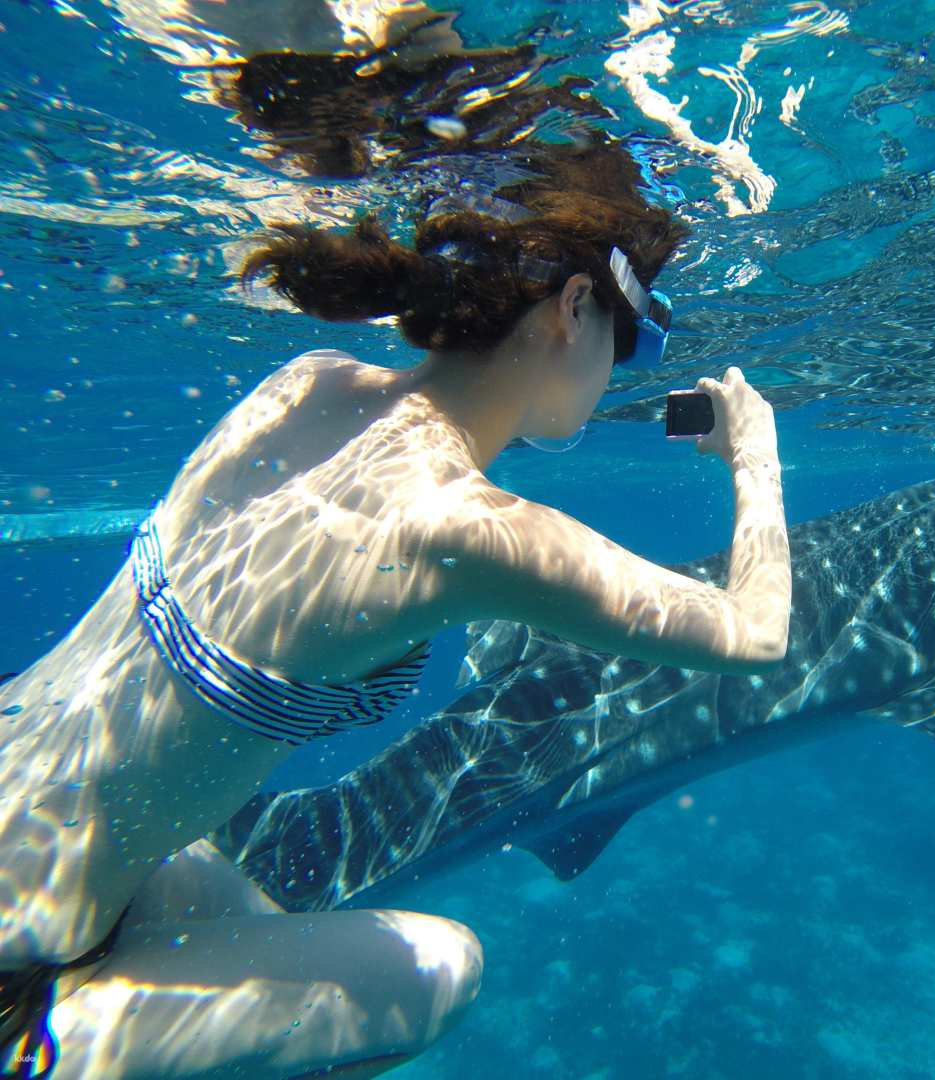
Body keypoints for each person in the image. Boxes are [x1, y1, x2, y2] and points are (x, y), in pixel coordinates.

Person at [0, 138, 792, 1078]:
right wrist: (756, 455)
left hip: (38, 836)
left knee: (257, 925)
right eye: (638, 336)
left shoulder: (305, 382)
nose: (627, 367)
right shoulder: (462, 527)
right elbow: (754, 633)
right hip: (26, 955)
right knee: (440, 973)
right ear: (574, 306)